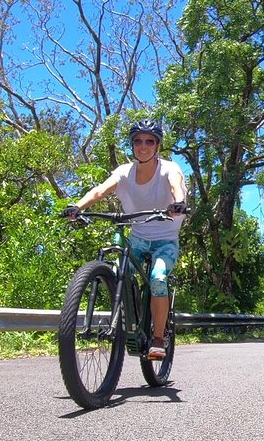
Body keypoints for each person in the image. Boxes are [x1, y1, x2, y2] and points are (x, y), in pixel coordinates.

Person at [63, 119, 187, 361]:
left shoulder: (170, 168)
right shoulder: (123, 172)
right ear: (132, 145)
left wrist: (179, 204)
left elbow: (176, 187)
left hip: (165, 239)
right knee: (119, 271)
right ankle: (128, 321)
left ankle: (159, 338)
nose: (143, 146)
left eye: (149, 141)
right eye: (138, 141)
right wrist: (76, 206)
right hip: (138, 238)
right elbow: (100, 190)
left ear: (157, 146)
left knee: (158, 279)